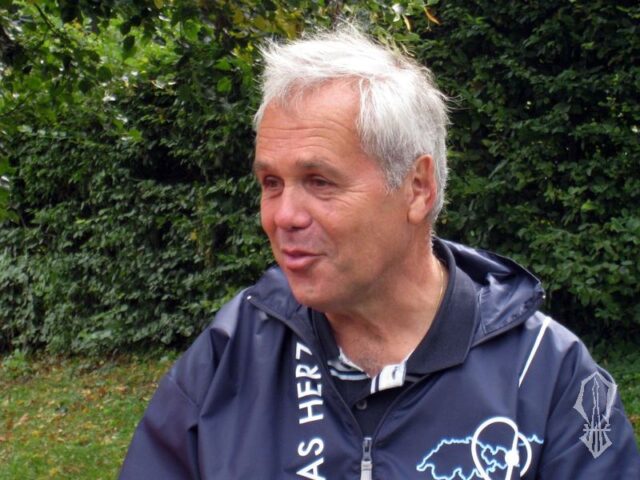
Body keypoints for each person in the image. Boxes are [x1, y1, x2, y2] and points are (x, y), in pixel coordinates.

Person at [119, 26, 640, 479]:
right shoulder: (232, 354)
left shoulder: (548, 377)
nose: (283, 216)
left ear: (417, 188)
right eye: (271, 183)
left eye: (319, 181)